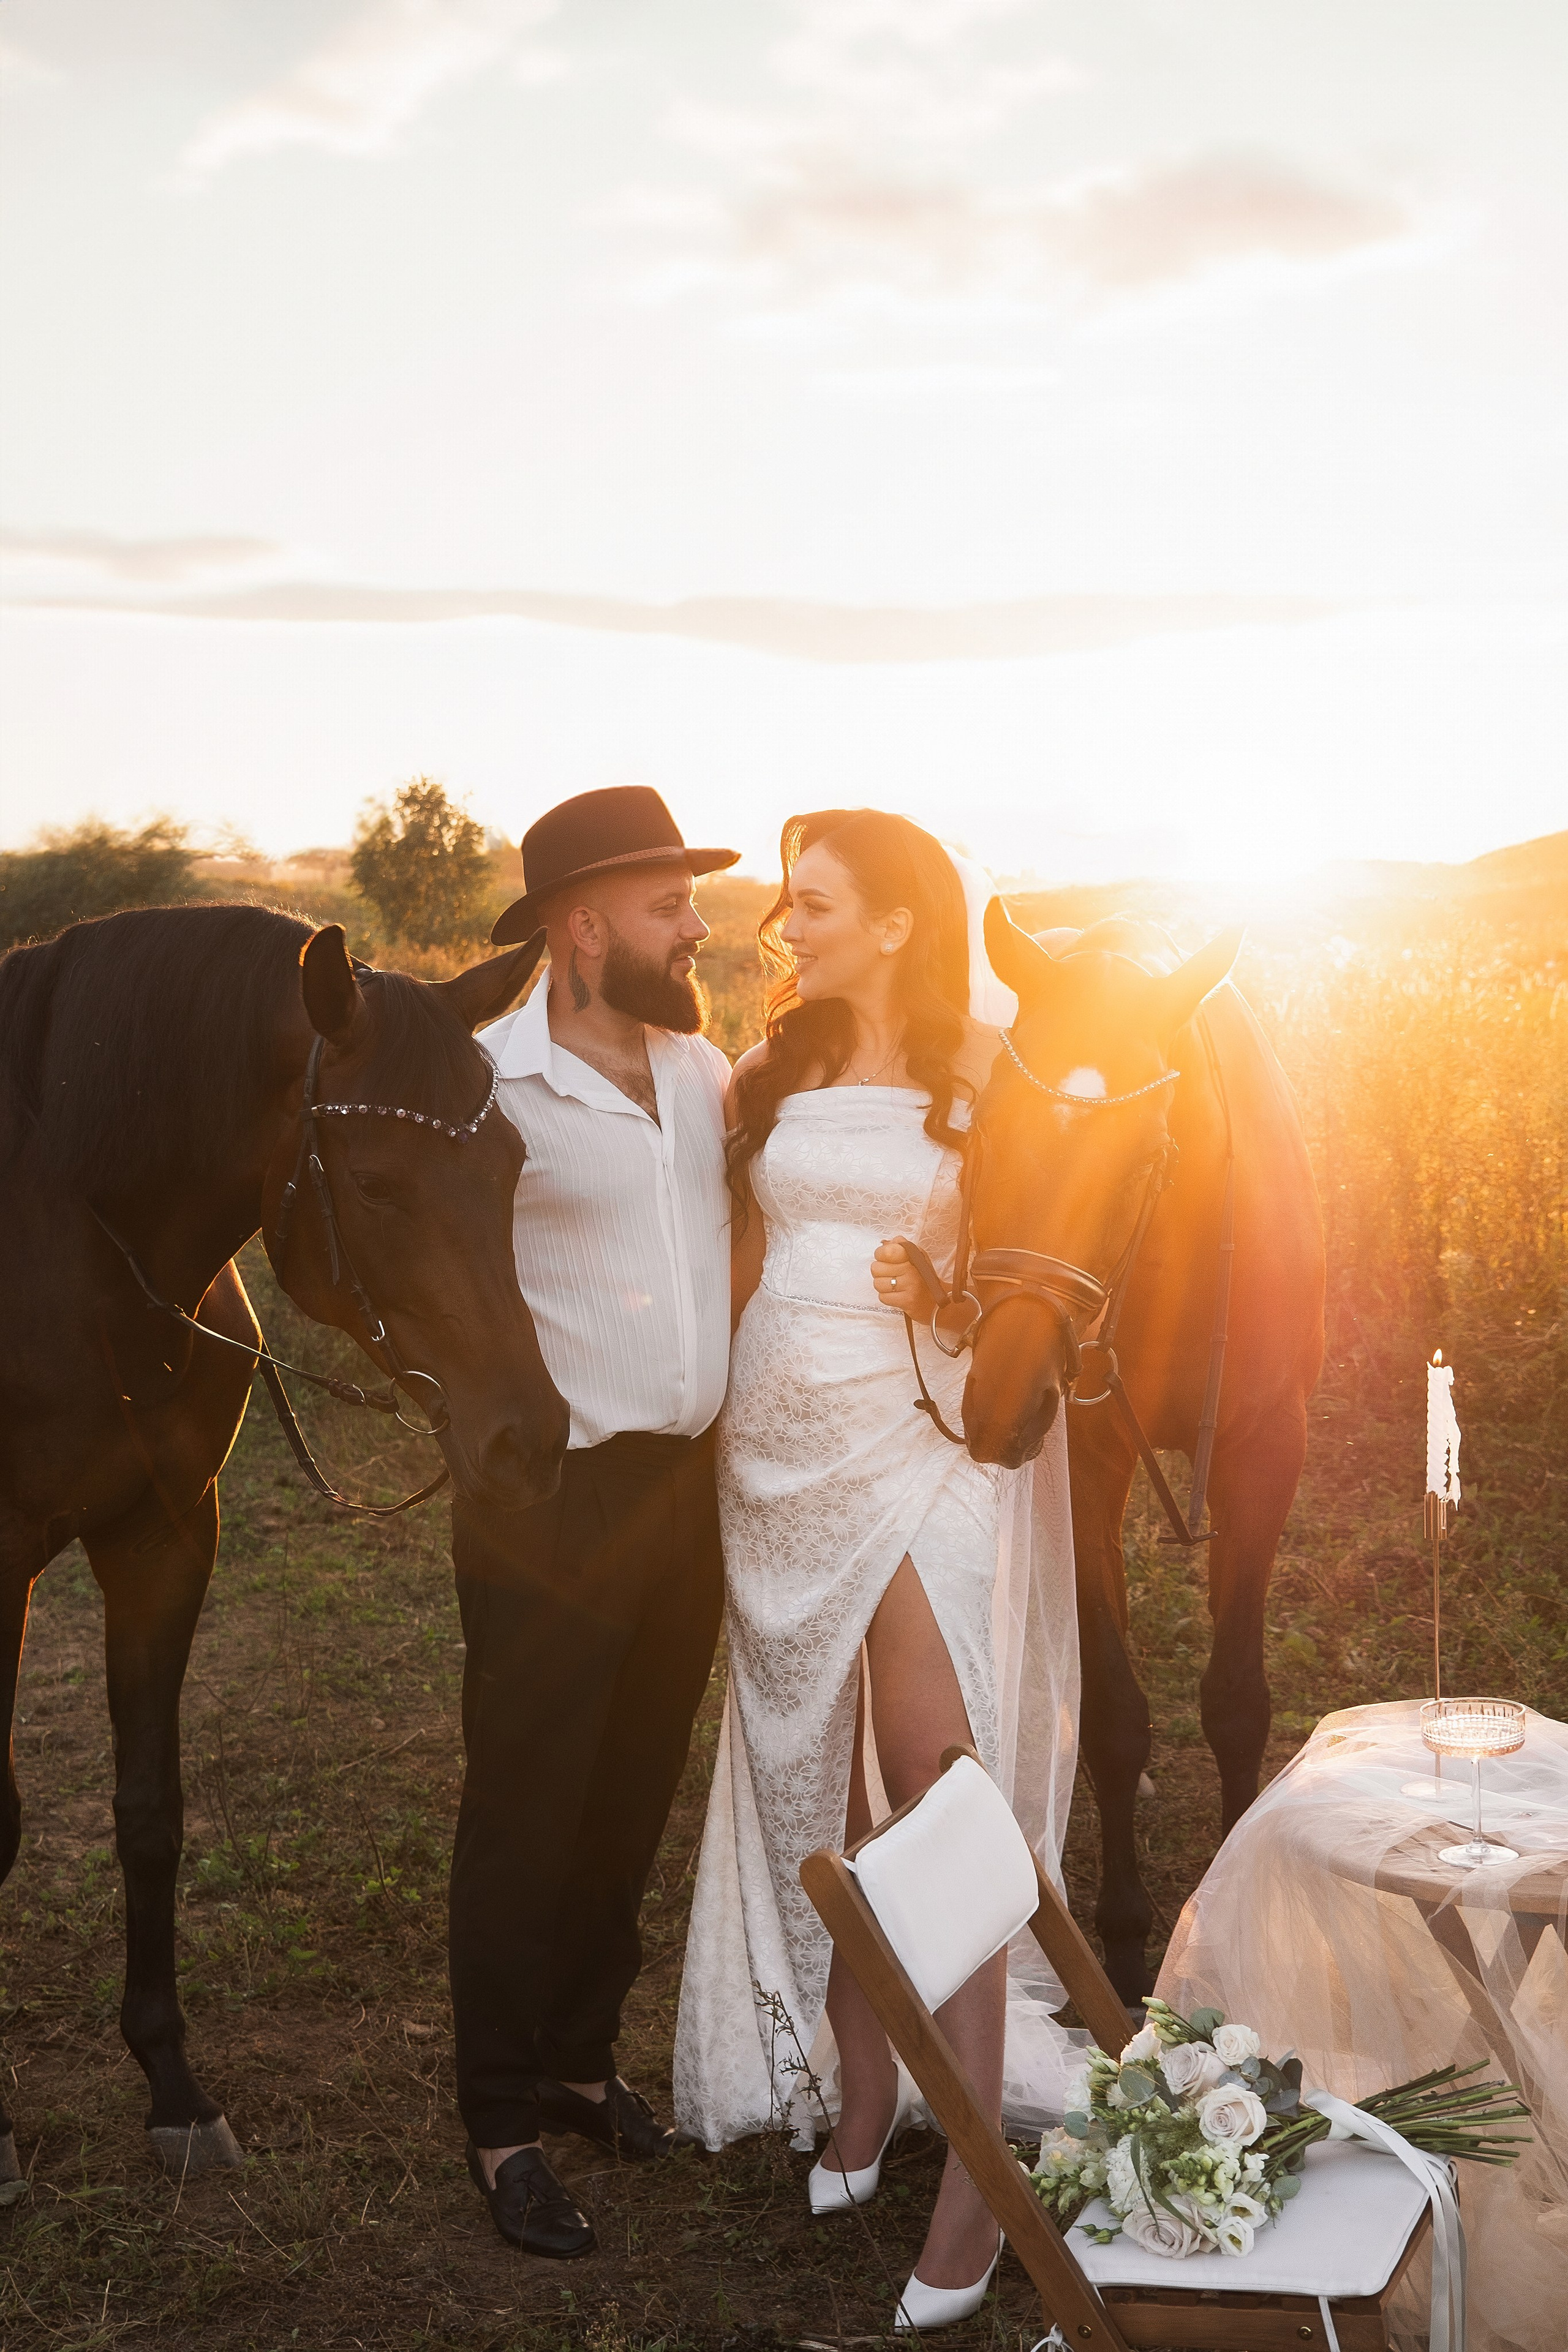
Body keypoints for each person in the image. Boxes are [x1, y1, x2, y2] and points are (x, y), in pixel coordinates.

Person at [672, 809, 1081, 2331]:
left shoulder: (987, 1072)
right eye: (790, 897)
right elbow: (728, 1257)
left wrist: (952, 1291)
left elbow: (1047, 1267)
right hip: (772, 1456)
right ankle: (862, 2100)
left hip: (911, 1433)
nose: (786, 920)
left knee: (933, 1786)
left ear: (903, 922)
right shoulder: (765, 1070)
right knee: (832, 1799)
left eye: (818, 900)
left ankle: (981, 2187)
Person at [450, 785, 739, 2261]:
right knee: (525, 1805)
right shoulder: (484, 1085)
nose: (697, 925)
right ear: (583, 925)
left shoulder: (703, 1073)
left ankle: (575, 2058)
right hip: (552, 1504)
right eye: (668, 904)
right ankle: (498, 2118)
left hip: (687, 1496)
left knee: (630, 1791)